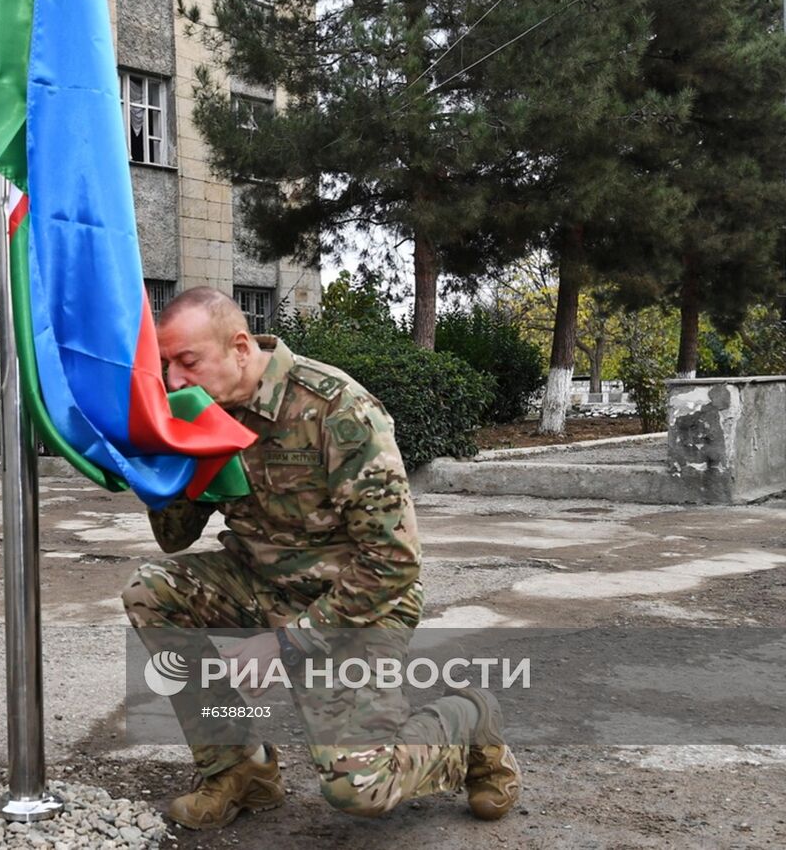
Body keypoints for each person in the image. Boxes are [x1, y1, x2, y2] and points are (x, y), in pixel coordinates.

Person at [121, 286, 521, 831]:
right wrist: (156, 461)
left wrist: (289, 642)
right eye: (165, 366)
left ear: (240, 347)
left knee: (361, 788)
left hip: (358, 607)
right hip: (258, 583)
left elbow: (393, 560)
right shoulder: (200, 412)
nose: (173, 381)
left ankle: (470, 722)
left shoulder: (336, 409)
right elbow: (175, 537)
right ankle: (239, 768)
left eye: (186, 362)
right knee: (152, 591)